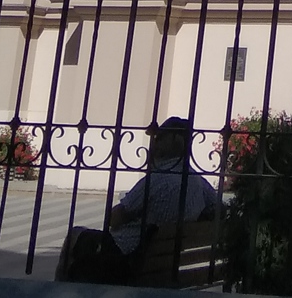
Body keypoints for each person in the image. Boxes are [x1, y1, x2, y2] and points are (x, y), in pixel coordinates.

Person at [58, 118, 219, 285]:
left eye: (159, 138)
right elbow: (217, 208)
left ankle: (59, 288)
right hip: (162, 260)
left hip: (130, 255)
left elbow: (113, 219)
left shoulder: (157, 179)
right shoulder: (197, 180)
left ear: (173, 141)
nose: (154, 143)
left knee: (75, 235)